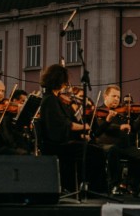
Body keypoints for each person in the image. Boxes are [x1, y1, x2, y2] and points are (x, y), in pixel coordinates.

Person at [38, 64, 107, 194]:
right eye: (64, 81)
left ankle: (86, 186)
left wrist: (81, 135)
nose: (66, 84)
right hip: (56, 145)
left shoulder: (55, 99)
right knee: (95, 153)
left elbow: (66, 123)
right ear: (59, 80)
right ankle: (94, 189)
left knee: (94, 148)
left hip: (60, 142)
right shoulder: (50, 100)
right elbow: (63, 124)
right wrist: (83, 127)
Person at [92, 85, 140, 194]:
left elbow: (134, 128)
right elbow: (104, 127)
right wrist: (120, 127)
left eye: (118, 97)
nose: (116, 99)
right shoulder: (99, 111)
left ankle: (131, 184)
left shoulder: (121, 113)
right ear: (105, 96)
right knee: (113, 150)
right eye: (113, 96)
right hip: (106, 145)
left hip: (123, 147)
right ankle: (114, 184)